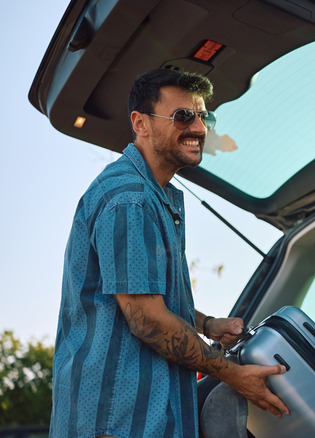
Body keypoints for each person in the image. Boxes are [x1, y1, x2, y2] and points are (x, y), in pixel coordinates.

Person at [49, 69, 289, 438]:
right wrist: (235, 375)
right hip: (116, 421)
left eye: (203, 116)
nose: (198, 127)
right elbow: (148, 319)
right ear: (140, 123)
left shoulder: (155, 195)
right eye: (182, 116)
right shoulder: (130, 199)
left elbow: (144, 293)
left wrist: (207, 325)